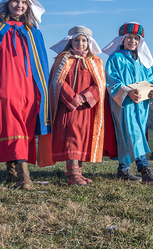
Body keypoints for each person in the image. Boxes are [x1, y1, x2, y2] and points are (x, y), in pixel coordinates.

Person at [38, 26, 117, 185]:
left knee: (81, 139)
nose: (80, 43)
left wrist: (85, 97)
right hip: (68, 108)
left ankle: (78, 173)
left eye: (84, 40)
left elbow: (100, 84)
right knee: (71, 138)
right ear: (70, 42)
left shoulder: (95, 61)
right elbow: (56, 81)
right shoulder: (63, 59)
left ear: (89, 43)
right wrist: (73, 98)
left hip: (86, 109)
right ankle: (72, 175)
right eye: (77, 40)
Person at [0, 0, 50, 189]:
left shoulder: (33, 33)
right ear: (7, 4)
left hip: (29, 88)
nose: (19, 5)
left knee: (24, 127)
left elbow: (42, 64)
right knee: (12, 125)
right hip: (6, 85)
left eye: (23, 2)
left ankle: (11, 173)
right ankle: (24, 177)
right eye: (15, 1)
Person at [103, 22, 153, 184]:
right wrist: (127, 92)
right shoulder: (115, 58)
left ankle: (123, 170)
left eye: (136, 38)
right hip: (123, 103)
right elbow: (112, 81)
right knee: (133, 133)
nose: (133, 41)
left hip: (142, 105)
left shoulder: (143, 60)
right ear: (122, 39)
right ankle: (144, 169)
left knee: (129, 135)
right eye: (129, 38)